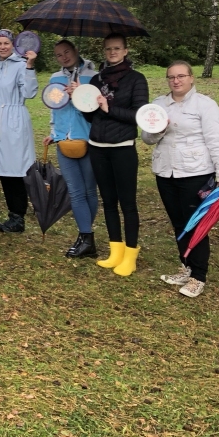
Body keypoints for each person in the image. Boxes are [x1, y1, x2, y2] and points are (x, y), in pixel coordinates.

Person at [141, 61, 219, 297]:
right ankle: (186, 267)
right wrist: (159, 129)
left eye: (181, 76)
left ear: (191, 78)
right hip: (166, 172)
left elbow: (216, 141)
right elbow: (147, 138)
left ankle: (198, 277)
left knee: (196, 225)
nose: (176, 81)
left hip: (195, 173)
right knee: (179, 224)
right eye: (171, 77)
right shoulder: (159, 105)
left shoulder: (205, 105)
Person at [85, 34, 149, 277]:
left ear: (125, 51)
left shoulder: (136, 79)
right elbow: (90, 116)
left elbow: (139, 116)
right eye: (108, 49)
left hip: (122, 147)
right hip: (97, 146)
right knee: (108, 201)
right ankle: (115, 250)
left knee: (127, 203)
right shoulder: (96, 79)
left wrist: (108, 107)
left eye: (117, 48)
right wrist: (81, 100)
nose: (112, 52)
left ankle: (130, 255)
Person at [0, 30, 38, 233]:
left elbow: (29, 92)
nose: (2, 47)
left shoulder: (21, 66)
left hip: (14, 122)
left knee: (16, 170)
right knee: (3, 170)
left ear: (13, 45)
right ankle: (14, 215)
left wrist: (30, 66)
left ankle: (19, 215)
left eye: (6, 43)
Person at [42, 40, 99, 258]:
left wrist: (80, 92)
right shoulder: (55, 79)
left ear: (76, 50)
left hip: (88, 138)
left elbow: (96, 108)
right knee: (75, 191)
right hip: (63, 141)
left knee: (89, 190)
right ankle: (86, 236)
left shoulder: (93, 77)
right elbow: (54, 108)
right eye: (59, 55)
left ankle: (86, 237)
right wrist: (54, 132)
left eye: (67, 52)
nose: (64, 57)